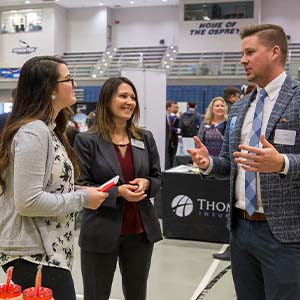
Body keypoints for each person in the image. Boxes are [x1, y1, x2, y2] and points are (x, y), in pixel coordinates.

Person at [188, 24, 300, 300]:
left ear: (275, 52)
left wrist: (283, 162)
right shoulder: (239, 107)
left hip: (285, 235)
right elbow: (230, 163)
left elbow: (283, 162)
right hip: (240, 231)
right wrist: (209, 164)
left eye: (250, 52)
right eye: (242, 53)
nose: (242, 60)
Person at [0, 56, 108, 300]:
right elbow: (28, 201)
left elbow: (46, 187)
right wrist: (81, 199)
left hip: (48, 252)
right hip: (33, 255)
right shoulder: (33, 132)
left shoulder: (48, 130)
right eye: (68, 78)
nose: (74, 83)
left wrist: (80, 191)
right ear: (49, 89)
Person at [74, 76, 162, 300]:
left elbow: (158, 178)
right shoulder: (87, 141)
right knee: (96, 295)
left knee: (136, 294)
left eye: (133, 97)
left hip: (140, 231)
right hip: (101, 230)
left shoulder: (145, 137)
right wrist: (118, 193)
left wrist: (147, 183)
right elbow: (80, 185)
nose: (130, 102)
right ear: (107, 100)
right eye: (123, 96)